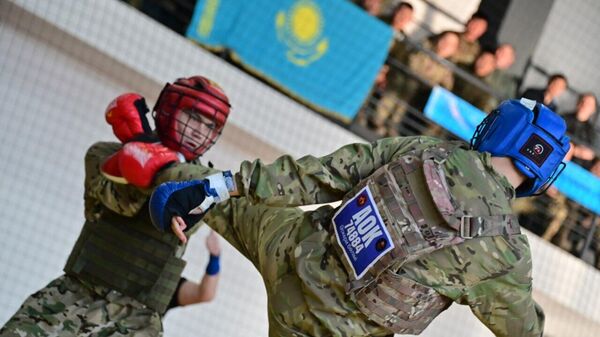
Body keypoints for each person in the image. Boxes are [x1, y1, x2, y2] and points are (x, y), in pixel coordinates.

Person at [150, 98, 571, 337]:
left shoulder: (424, 150)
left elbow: (316, 176)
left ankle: (163, 167)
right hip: (326, 331)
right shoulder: (507, 253)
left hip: (289, 253)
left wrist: (220, 186)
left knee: (219, 196)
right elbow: (523, 332)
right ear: (543, 172)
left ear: (502, 127)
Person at [0, 76, 229, 337]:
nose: (200, 130)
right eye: (194, 117)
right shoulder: (103, 154)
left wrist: (157, 159)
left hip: (135, 320)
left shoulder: (204, 184)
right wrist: (140, 154)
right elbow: (123, 205)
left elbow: (181, 201)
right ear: (170, 109)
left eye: (211, 126)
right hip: (72, 297)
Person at [562, 93, 598, 169]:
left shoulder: (592, 132)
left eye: (588, 104)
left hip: (580, 166)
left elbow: (590, 154)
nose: (584, 105)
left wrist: (574, 151)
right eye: (583, 101)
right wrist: (572, 149)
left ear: (593, 110)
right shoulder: (563, 118)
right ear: (578, 103)